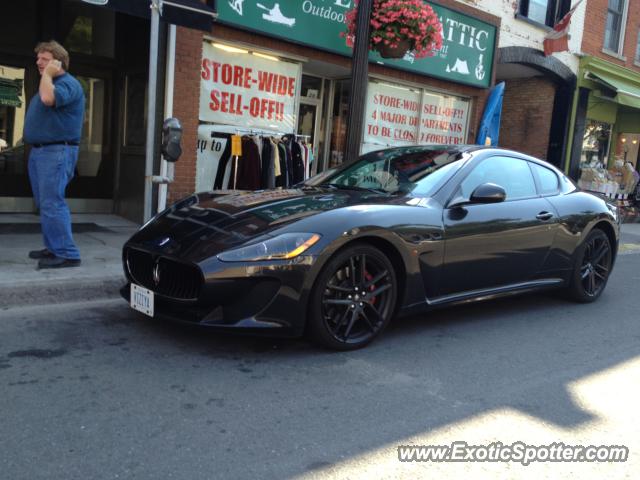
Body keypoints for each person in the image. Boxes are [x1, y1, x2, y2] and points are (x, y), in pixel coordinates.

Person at [23, 40, 85, 269]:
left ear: (58, 62)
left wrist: (48, 75)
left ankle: (68, 254)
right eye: (38, 58)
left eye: (45, 59)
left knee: (53, 203)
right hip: (41, 152)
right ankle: (53, 248)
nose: (39, 62)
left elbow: (49, 99)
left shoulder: (68, 84)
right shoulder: (48, 82)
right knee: (45, 203)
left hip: (56, 151)